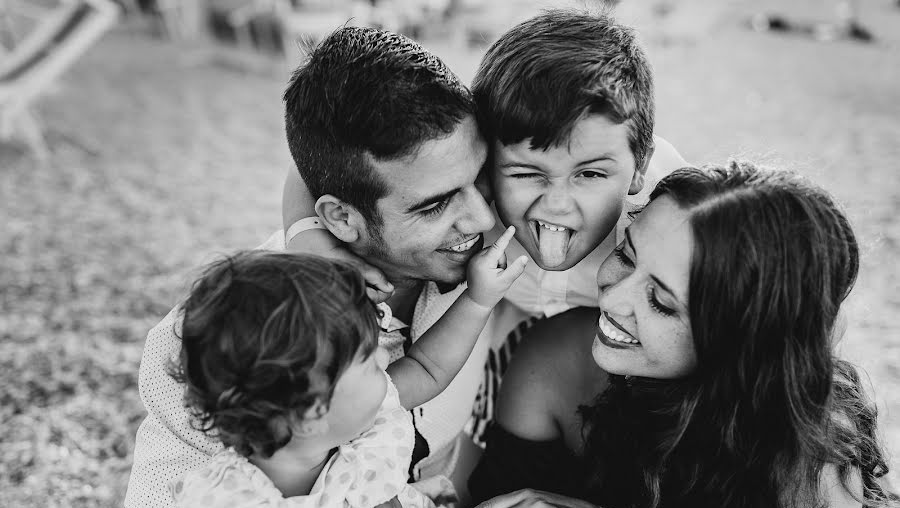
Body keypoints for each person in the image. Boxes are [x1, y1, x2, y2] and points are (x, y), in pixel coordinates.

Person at [112, 26, 498, 508]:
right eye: (436, 205)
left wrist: (306, 235)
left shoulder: (511, 245)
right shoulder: (234, 344)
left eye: (481, 177)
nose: (483, 219)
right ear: (341, 218)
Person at [455, 161, 900, 508]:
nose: (613, 296)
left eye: (661, 302)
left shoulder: (807, 457)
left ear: (737, 344)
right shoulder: (559, 355)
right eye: (627, 256)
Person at [281, 9, 688, 443]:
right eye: (525, 173)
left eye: (588, 175)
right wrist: (311, 245)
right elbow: (317, 164)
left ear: (638, 168)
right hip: (506, 342)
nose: (556, 206)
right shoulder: (479, 161)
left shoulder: (663, 207)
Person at [168, 234, 524, 508]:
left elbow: (428, 366)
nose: (386, 360)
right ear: (311, 412)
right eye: (370, 360)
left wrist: (479, 299)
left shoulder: (349, 422)